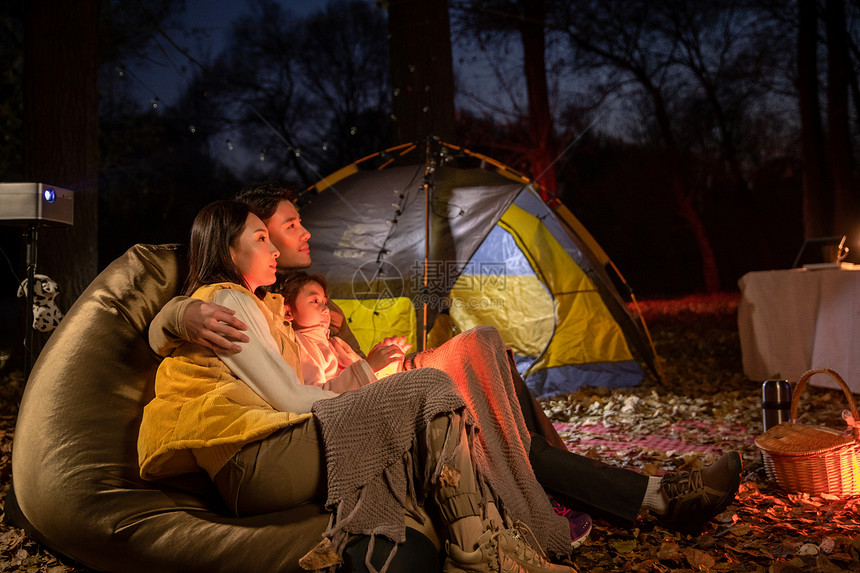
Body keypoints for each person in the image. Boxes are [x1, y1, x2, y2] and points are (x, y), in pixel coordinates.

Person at [149, 184, 742, 538]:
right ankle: (649, 496)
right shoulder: (259, 303)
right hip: (347, 407)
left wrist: (368, 357)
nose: (303, 232)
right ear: (249, 240)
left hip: (368, 387)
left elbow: (331, 368)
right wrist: (172, 317)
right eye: (287, 225)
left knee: (483, 347)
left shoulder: (291, 296)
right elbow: (279, 374)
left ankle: (596, 488)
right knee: (478, 414)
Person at [138, 199, 576, 573]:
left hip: (260, 450)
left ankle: (482, 543)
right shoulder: (227, 299)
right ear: (227, 250)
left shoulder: (264, 305)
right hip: (252, 457)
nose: (276, 245)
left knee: (437, 384)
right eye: (264, 237)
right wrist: (374, 399)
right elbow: (289, 395)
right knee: (428, 388)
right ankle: (480, 551)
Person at [279, 271, 411, 388]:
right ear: (288, 312)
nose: (326, 309)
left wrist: (389, 362)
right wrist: (370, 366)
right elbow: (316, 395)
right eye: (315, 301)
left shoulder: (337, 343)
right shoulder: (301, 345)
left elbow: (368, 380)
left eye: (325, 302)